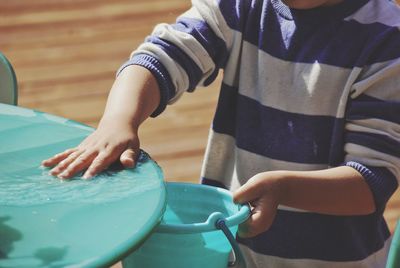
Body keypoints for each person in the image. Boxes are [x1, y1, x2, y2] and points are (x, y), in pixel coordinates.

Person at [42, 0, 400, 267]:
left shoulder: (386, 43)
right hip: (237, 251)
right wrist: (119, 120)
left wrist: (287, 188)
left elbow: (370, 183)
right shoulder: (241, 6)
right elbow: (161, 56)